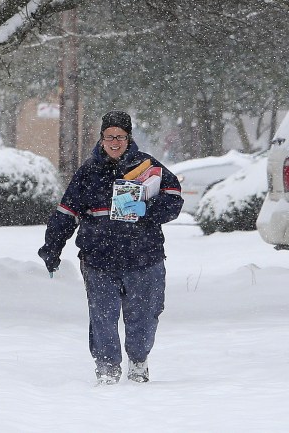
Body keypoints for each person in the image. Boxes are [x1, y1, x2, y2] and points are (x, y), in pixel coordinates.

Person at [38, 110, 183, 385]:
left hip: (144, 257)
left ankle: (139, 360)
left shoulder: (148, 167)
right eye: (109, 137)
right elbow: (66, 212)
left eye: (120, 136)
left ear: (129, 138)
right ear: (102, 138)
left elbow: (174, 198)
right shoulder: (88, 172)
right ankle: (107, 367)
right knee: (102, 317)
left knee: (143, 315)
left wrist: (146, 209)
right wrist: (52, 247)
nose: (114, 142)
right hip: (98, 258)